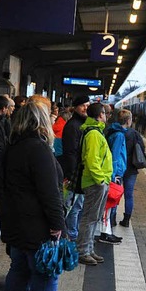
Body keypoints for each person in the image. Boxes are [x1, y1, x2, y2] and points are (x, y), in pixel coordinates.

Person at [0, 100, 77, 291]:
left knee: (19, 270)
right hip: (37, 223)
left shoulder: (12, 147)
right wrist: (59, 226)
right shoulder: (38, 149)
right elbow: (49, 193)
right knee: (45, 274)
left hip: (17, 221)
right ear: (41, 121)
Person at [76, 103, 113, 265]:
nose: (106, 116)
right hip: (95, 182)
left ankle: (89, 248)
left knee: (94, 217)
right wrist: (101, 180)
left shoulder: (96, 132)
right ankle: (83, 251)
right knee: (90, 217)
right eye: (105, 113)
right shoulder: (93, 134)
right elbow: (92, 160)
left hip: (98, 181)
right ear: (100, 115)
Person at [61, 95, 90, 240]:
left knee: (77, 207)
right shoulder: (73, 126)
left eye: (87, 105)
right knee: (74, 207)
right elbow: (71, 152)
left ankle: (74, 234)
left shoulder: (81, 124)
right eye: (82, 105)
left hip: (79, 173)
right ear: (75, 107)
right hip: (75, 174)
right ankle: (72, 236)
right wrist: (72, 175)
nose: (85, 108)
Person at [117, 114, 145, 228]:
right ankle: (126, 220)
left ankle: (112, 219)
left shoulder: (114, 132)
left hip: (118, 168)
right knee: (129, 195)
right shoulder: (134, 134)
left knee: (115, 193)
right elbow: (142, 149)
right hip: (131, 169)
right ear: (128, 120)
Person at [105, 109, 130, 231]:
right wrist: (113, 174)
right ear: (128, 121)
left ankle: (110, 224)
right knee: (113, 198)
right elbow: (115, 155)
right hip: (117, 171)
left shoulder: (113, 130)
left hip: (115, 170)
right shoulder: (119, 135)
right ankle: (110, 224)